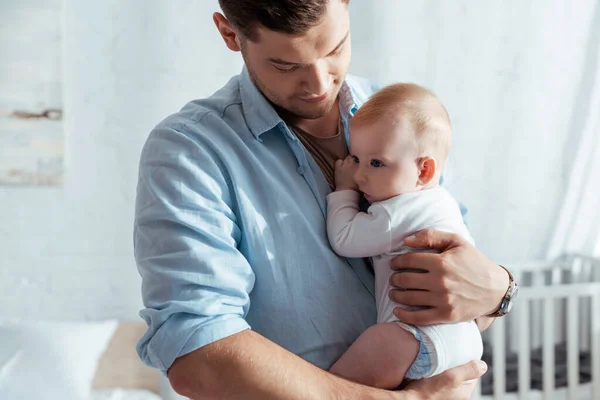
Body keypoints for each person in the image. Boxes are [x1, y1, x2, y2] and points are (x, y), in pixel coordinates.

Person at [133, 1, 515, 398]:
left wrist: (499, 290)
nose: (318, 84)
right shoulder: (191, 151)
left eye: (335, 49)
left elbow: (461, 276)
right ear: (230, 34)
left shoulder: (402, 116)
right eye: (286, 65)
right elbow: (197, 353)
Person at [326, 83, 483, 389]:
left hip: (419, 336)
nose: (359, 175)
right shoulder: (440, 202)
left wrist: (343, 191)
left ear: (423, 171)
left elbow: (344, 238)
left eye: (376, 163)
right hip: (461, 340)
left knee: (334, 387)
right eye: (355, 159)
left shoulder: (397, 210)